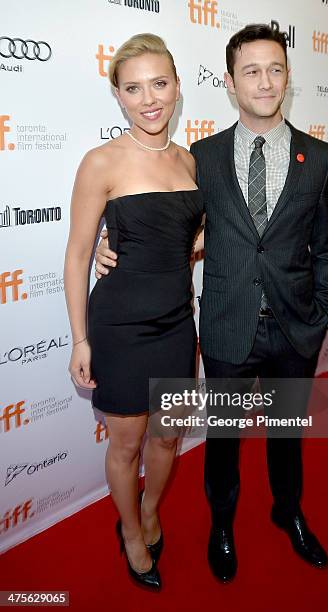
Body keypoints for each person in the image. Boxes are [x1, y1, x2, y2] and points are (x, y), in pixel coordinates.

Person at [95, 24, 328, 582]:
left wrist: (322, 312)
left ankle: (288, 512)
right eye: (250, 71)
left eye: (274, 69)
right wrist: (114, 246)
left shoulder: (320, 156)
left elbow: (326, 244)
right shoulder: (198, 157)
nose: (264, 81)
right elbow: (169, 217)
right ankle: (222, 525)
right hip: (228, 327)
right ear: (229, 83)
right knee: (224, 439)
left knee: (286, 433)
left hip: (296, 329)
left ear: (288, 76)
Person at [64, 33, 204, 590]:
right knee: (126, 443)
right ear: (117, 96)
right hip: (119, 326)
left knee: (167, 436)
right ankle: (129, 530)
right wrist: (80, 339)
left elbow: (192, 238)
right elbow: (77, 255)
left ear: (176, 89)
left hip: (175, 321)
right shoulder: (101, 162)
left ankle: (150, 510)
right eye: (134, 88)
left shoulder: (190, 161)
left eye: (160, 84)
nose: (149, 99)